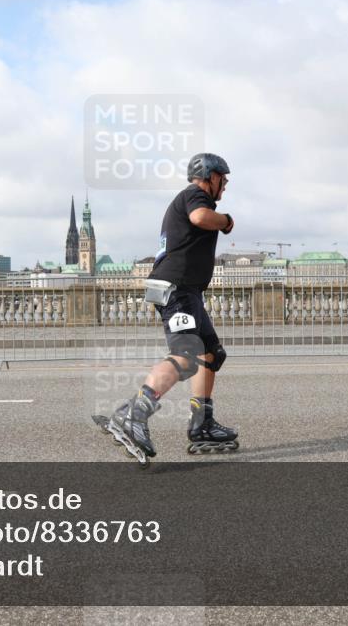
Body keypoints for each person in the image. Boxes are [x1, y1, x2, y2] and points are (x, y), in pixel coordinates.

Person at [95, 153, 239, 464]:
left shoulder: (194, 197)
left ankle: (202, 424)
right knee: (186, 356)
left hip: (187, 292)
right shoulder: (194, 196)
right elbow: (200, 218)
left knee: (211, 354)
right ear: (209, 176)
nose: (225, 185)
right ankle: (134, 414)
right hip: (176, 289)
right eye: (223, 179)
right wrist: (227, 222)